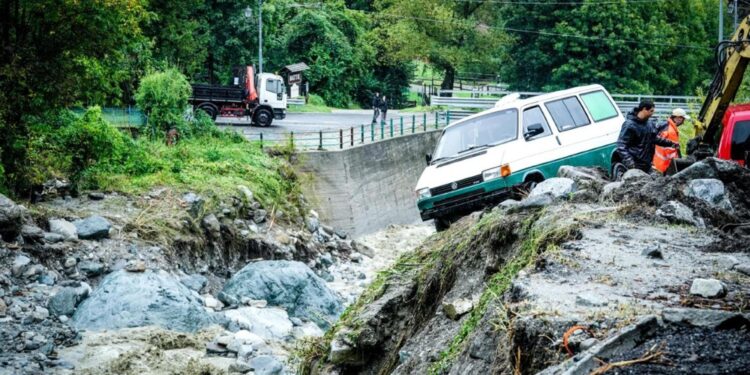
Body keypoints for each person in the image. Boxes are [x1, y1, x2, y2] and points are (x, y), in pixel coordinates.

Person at [616, 100, 679, 173]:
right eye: (651, 111)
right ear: (644, 109)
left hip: (647, 165)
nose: (652, 114)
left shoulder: (649, 124)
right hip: (633, 165)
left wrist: (671, 143)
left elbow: (654, 138)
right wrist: (630, 162)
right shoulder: (629, 125)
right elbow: (621, 145)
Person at [652, 108, 689, 173]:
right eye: (683, 119)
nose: (683, 121)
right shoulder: (671, 131)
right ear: (678, 118)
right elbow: (671, 151)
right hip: (664, 165)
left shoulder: (666, 125)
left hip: (658, 163)